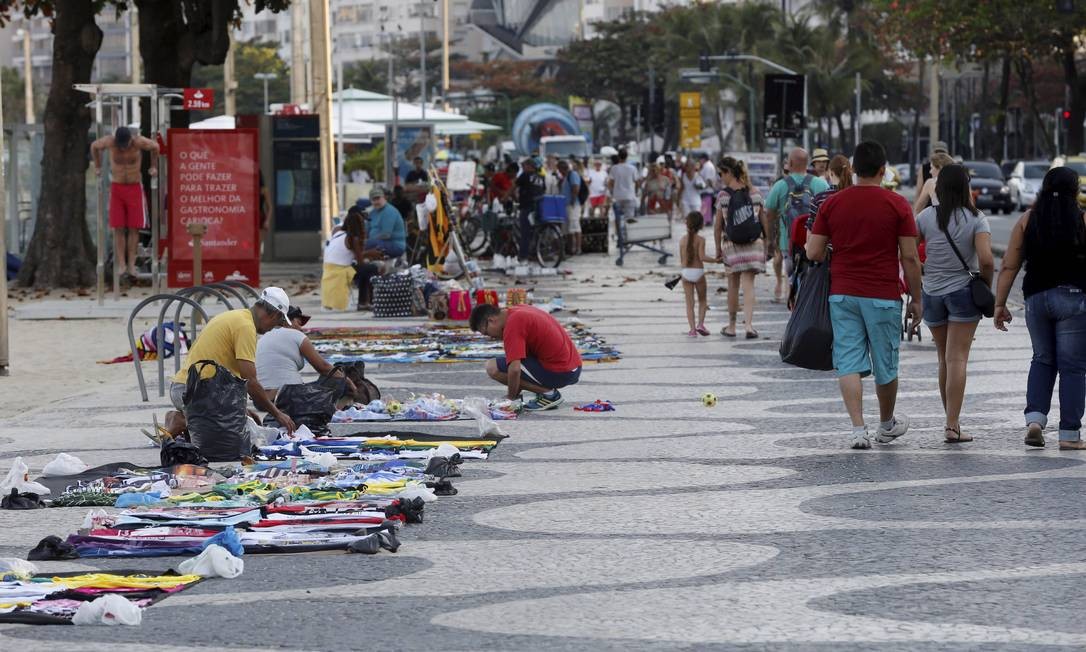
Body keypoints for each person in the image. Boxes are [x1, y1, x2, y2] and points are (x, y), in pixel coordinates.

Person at [806, 141, 922, 450]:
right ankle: (886, 424)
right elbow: (910, 257)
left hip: (842, 294)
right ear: (883, 171)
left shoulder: (832, 204)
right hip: (883, 294)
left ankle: (859, 430)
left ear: (854, 169)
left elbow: (813, 251)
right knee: (886, 364)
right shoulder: (897, 204)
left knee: (848, 362)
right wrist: (918, 298)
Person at [994, 166, 1086, 450]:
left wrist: (1000, 303)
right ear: (1075, 191)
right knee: (1072, 367)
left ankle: (1035, 420)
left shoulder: (1027, 219)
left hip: (1035, 298)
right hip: (1072, 297)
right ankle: (1069, 435)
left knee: (1042, 359)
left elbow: (1009, 264)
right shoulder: (1082, 220)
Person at [915, 164, 994, 443]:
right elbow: (986, 259)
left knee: (943, 358)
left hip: (932, 292)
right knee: (957, 358)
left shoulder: (925, 216)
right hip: (963, 291)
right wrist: (986, 284)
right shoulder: (976, 218)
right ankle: (952, 425)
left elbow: (909, 250)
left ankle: (951, 420)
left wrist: (924, 269)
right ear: (965, 187)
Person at [167, 287, 297, 437]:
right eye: (278, 322)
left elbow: (231, 381)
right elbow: (251, 381)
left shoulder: (236, 317)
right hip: (192, 393)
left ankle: (185, 418)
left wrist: (242, 411)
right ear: (274, 314)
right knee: (229, 432)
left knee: (241, 422)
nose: (274, 328)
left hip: (184, 388)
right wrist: (277, 413)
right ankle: (181, 421)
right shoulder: (245, 327)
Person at [469, 302, 582, 411]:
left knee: (492, 367)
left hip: (561, 372)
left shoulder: (512, 324)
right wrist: (515, 393)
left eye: (487, 333)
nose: (491, 338)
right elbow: (522, 365)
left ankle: (549, 394)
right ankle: (543, 393)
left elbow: (515, 369)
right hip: (573, 367)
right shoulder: (517, 311)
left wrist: (511, 399)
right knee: (511, 361)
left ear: (491, 320)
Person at [91, 126, 160, 285]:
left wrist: (153, 166)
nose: (124, 148)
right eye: (121, 145)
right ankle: (121, 263)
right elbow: (94, 146)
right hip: (117, 187)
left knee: (134, 228)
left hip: (135, 187)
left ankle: (131, 264)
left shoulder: (138, 142)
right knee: (119, 227)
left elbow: (155, 147)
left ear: (131, 139)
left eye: (126, 144)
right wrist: (97, 166)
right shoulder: (110, 142)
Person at [714, 156, 768, 339]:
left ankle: (731, 326)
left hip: (731, 246)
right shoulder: (755, 192)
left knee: (733, 285)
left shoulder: (723, 196)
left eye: (721, 173)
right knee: (749, 286)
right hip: (753, 245)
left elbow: (718, 225)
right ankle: (749, 327)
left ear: (729, 172)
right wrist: (768, 243)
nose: (720, 177)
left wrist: (717, 249)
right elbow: (763, 219)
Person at [765, 148, 829, 302]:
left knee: (792, 276)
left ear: (790, 163)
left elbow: (769, 214)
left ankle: (795, 306)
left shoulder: (780, 186)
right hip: (816, 241)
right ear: (808, 163)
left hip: (788, 243)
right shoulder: (820, 184)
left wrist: (770, 239)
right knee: (814, 276)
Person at [256, 306, 357, 401]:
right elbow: (323, 367)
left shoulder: (263, 337)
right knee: (337, 377)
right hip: (287, 397)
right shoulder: (295, 335)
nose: (301, 328)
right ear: (287, 321)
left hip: (262, 401)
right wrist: (346, 381)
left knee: (334, 373)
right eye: (298, 323)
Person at [321, 208, 366, 311]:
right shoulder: (353, 238)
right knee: (369, 269)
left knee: (365, 269)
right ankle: (364, 302)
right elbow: (361, 262)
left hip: (328, 271)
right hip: (340, 271)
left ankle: (364, 302)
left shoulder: (338, 232)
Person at [679, 211, 711, 337]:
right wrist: (716, 260)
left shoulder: (682, 240)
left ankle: (692, 330)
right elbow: (702, 257)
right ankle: (700, 324)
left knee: (689, 303)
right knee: (702, 300)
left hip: (686, 272)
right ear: (701, 225)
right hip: (698, 272)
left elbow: (682, 260)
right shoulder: (701, 240)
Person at [360, 186, 407, 261]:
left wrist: (368, 241)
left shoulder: (389, 211)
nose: (376, 202)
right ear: (370, 201)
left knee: (367, 244)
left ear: (384, 198)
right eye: (373, 199)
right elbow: (365, 231)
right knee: (358, 243)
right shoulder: (372, 213)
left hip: (395, 245)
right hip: (379, 243)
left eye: (378, 198)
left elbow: (386, 235)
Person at [515, 157, 546, 261]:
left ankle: (523, 256)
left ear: (529, 166)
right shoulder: (541, 177)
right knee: (536, 231)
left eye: (524, 166)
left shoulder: (525, 175)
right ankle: (536, 253)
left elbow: (514, 186)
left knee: (525, 233)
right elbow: (543, 190)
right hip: (538, 207)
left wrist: (505, 197)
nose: (523, 169)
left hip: (527, 207)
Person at [607, 148, 639, 231]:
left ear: (618, 156)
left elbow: (610, 183)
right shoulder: (632, 168)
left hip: (617, 197)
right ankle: (628, 236)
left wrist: (612, 193)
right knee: (629, 218)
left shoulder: (614, 168)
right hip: (629, 196)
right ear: (627, 157)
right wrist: (635, 192)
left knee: (617, 218)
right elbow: (637, 182)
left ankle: (619, 237)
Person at [557, 159, 583, 255]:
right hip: (566, 205)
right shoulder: (565, 177)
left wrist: (572, 200)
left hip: (573, 205)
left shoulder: (573, 175)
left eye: (559, 170)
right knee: (568, 228)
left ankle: (578, 248)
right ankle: (570, 248)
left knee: (575, 226)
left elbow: (576, 187)